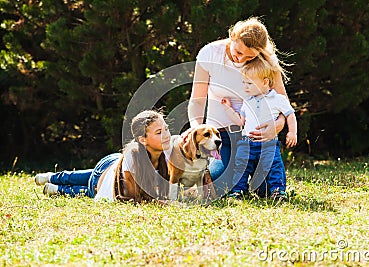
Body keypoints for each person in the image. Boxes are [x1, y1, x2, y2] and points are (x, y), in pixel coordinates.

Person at [188, 17, 289, 195]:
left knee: (266, 189)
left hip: (256, 139)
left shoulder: (267, 60)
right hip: (221, 138)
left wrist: (278, 125)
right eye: (239, 52)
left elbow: (282, 102)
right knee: (219, 187)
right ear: (232, 37)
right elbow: (197, 100)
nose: (241, 59)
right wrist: (196, 128)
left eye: (250, 57)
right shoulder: (210, 53)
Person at [34, 110, 171, 202]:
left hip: (115, 164)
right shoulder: (133, 156)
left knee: (88, 177)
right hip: (106, 169)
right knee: (90, 188)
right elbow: (134, 198)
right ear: (142, 139)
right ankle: (56, 183)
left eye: (166, 129)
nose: (166, 135)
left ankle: (52, 181)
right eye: (159, 132)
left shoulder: (168, 152)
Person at [221, 57, 297, 200]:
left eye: (249, 83)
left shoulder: (277, 99)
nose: (245, 87)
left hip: (268, 143)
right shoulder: (247, 101)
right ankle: (238, 191)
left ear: (265, 82)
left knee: (274, 166)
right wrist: (228, 108)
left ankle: (278, 191)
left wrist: (292, 132)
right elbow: (240, 121)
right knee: (241, 167)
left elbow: (290, 115)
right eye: (244, 83)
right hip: (246, 143)